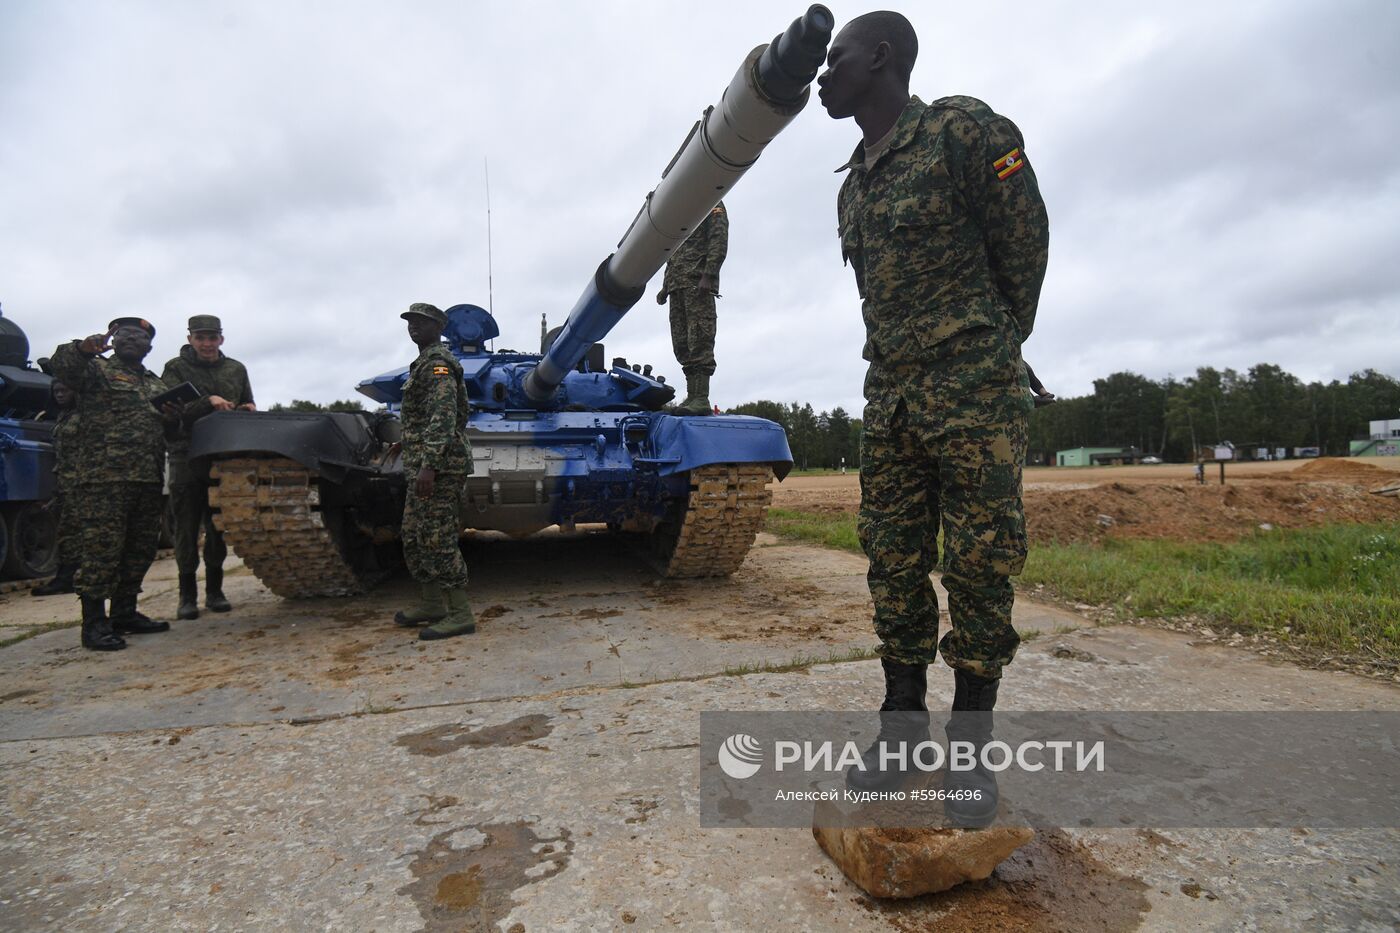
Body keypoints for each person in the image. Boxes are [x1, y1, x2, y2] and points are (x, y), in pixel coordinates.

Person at [818, 11, 1049, 817]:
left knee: (982, 564)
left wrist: (990, 348)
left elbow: (1024, 247)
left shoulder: (964, 132)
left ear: (879, 59)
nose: (822, 71)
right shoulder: (852, 186)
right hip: (892, 400)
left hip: (973, 392)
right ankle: (902, 729)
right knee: (892, 560)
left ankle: (972, 749)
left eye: (835, 57)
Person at [50, 319, 180, 651]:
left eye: (140, 336)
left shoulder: (155, 383)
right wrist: (82, 349)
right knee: (101, 551)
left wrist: (172, 416)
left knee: (139, 550)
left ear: (149, 347)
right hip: (103, 478)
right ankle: (93, 624)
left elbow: (169, 431)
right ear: (114, 340)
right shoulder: (96, 371)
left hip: (147, 477)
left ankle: (124, 613)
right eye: (124, 334)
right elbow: (62, 367)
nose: (131, 339)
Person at [161, 314, 255, 619]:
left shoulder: (236, 369)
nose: (206, 343)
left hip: (223, 456)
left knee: (218, 526)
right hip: (186, 454)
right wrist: (208, 401)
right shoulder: (176, 368)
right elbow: (170, 412)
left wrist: (245, 410)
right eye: (200, 337)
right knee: (186, 529)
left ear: (221, 339)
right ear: (190, 339)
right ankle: (187, 596)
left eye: (212, 338)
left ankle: (215, 591)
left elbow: (248, 403)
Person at [393, 303, 476, 641]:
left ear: (438, 327)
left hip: (439, 467)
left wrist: (429, 464)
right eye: (410, 322)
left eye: (422, 322)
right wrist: (407, 443)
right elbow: (425, 416)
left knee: (438, 538)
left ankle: (460, 613)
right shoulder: (423, 362)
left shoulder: (438, 364)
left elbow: (443, 414)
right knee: (413, 535)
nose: (414, 327)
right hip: (423, 461)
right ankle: (432, 603)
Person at [655, 200, 728, 415]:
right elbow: (674, 253)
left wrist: (709, 274)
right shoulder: (682, 213)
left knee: (700, 338)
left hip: (698, 284)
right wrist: (665, 286)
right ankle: (692, 396)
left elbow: (718, 239)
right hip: (677, 286)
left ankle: (701, 399)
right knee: (682, 343)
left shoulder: (711, 202)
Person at [31, 379, 80, 596]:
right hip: (65, 483)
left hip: (82, 483)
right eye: (56, 391)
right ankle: (66, 577)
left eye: (65, 390)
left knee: (77, 534)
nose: (60, 394)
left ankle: (70, 578)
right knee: (67, 534)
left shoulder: (84, 415)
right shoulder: (62, 416)